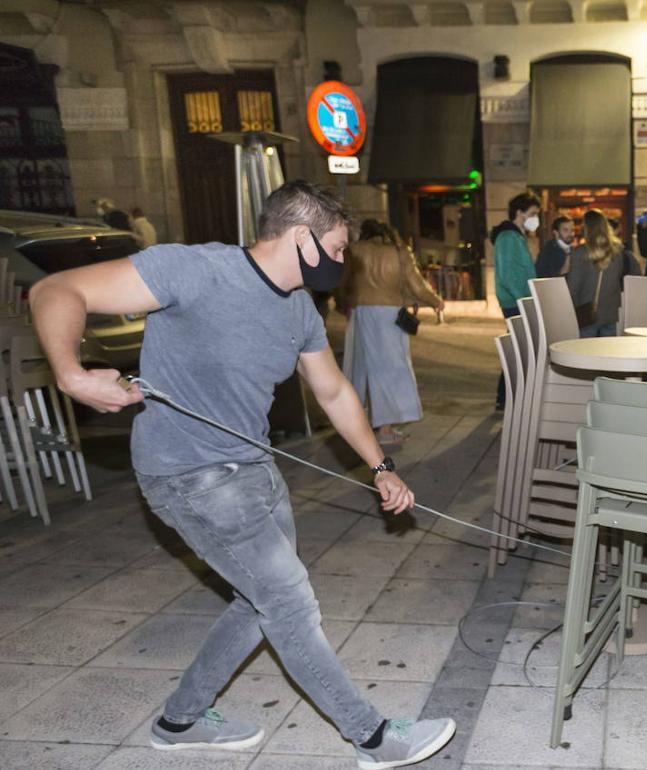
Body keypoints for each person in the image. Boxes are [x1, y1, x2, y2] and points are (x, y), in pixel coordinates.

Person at [29, 181, 456, 769]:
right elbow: (58, 289)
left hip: (254, 468)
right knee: (289, 601)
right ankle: (373, 738)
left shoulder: (298, 308)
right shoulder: (193, 269)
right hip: (188, 475)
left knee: (258, 603)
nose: (340, 262)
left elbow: (332, 391)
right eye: (335, 249)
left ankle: (179, 721)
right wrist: (72, 375)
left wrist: (380, 466)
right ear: (301, 237)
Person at [338, 219, 444, 446]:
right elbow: (415, 285)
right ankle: (385, 429)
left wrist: (344, 302)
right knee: (390, 369)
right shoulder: (398, 252)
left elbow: (343, 281)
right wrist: (435, 301)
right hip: (390, 315)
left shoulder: (354, 251)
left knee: (359, 369)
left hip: (361, 312)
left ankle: (354, 423)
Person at [491, 191, 540, 409]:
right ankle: (507, 397)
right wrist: (526, 300)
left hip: (518, 300)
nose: (535, 218)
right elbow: (510, 275)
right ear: (519, 212)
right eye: (532, 213)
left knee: (519, 348)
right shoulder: (508, 237)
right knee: (519, 349)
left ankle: (506, 397)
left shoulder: (516, 235)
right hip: (516, 302)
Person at [566, 208, 640, 338]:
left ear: (586, 229)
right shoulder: (618, 252)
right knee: (608, 354)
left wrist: (570, 313)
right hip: (612, 313)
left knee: (585, 354)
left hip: (586, 314)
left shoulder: (579, 253)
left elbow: (573, 288)